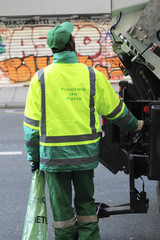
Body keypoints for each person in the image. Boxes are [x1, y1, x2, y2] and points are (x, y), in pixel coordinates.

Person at [23, 22, 143, 240]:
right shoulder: (91, 75)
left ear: (53, 49)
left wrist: (34, 158)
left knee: (62, 214)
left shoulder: (40, 79)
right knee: (86, 207)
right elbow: (115, 111)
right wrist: (136, 125)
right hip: (85, 156)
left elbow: (31, 128)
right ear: (72, 43)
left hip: (54, 158)